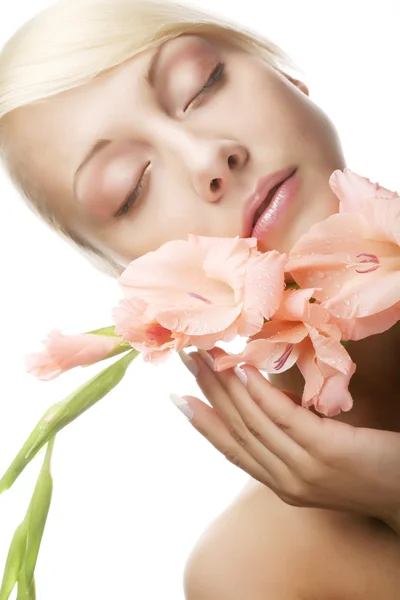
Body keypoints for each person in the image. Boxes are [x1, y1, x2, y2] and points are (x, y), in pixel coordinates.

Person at [0, 0, 399, 597]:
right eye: (130, 188)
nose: (209, 157)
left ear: (288, 77)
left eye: (200, 83)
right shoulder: (249, 574)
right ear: (134, 279)